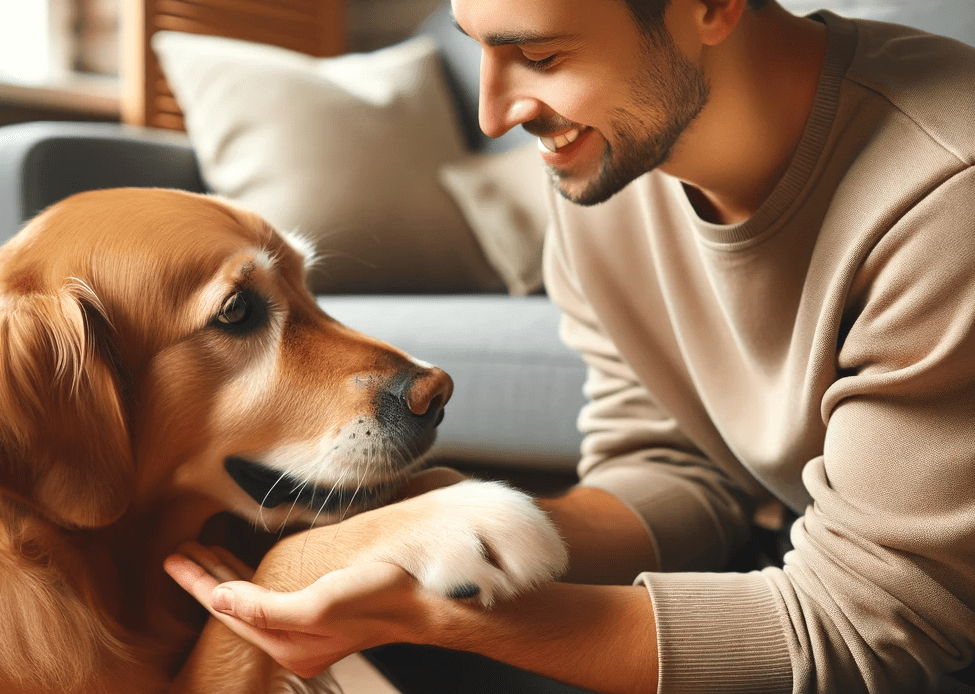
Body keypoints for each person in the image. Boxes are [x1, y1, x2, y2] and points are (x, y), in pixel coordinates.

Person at [166, 0, 975, 691]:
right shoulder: (607, 165)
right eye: (479, 43)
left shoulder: (945, 195)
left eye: (540, 55)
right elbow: (678, 467)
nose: (492, 115)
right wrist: (443, 524)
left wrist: (448, 619)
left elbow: (877, 626)